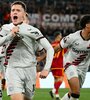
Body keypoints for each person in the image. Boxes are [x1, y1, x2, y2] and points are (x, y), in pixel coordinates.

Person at [0, 1, 54, 100]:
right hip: (12, 70)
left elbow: (49, 49)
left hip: (30, 70)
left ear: (24, 14)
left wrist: (46, 69)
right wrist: (10, 36)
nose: (15, 12)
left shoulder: (33, 31)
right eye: (13, 10)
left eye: (18, 10)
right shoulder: (6, 28)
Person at [54, 15, 90, 100]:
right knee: (76, 93)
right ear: (87, 25)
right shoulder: (73, 37)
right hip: (70, 64)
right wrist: (43, 58)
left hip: (84, 68)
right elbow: (57, 48)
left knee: (72, 92)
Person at [49, 31, 66, 100]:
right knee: (61, 79)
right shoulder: (60, 45)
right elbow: (66, 51)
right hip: (59, 64)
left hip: (52, 65)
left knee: (56, 80)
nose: (61, 37)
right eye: (60, 36)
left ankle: (57, 96)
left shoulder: (51, 45)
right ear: (58, 36)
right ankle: (53, 91)